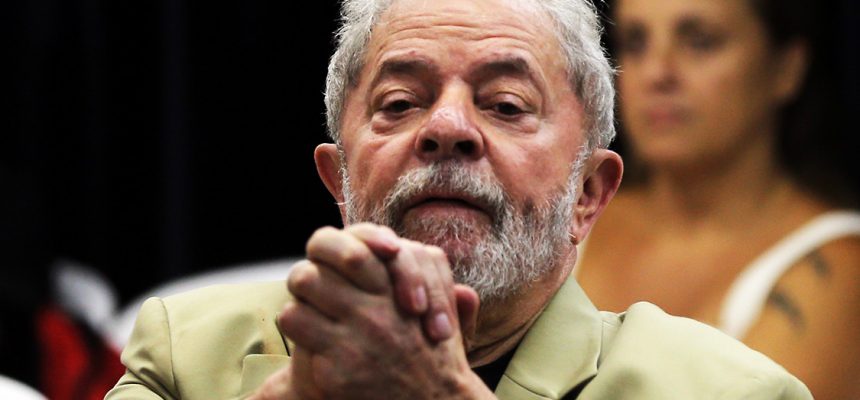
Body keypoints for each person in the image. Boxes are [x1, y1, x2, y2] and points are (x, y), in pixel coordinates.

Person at [106, 0, 813, 398]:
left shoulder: (732, 392)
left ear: (588, 195)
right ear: (339, 182)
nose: (447, 128)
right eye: (401, 101)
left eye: (505, 105)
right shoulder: (184, 354)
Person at [574, 0, 860, 398]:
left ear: (787, 68)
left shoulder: (839, 268)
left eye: (699, 42)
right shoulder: (567, 213)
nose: (657, 73)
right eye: (635, 42)